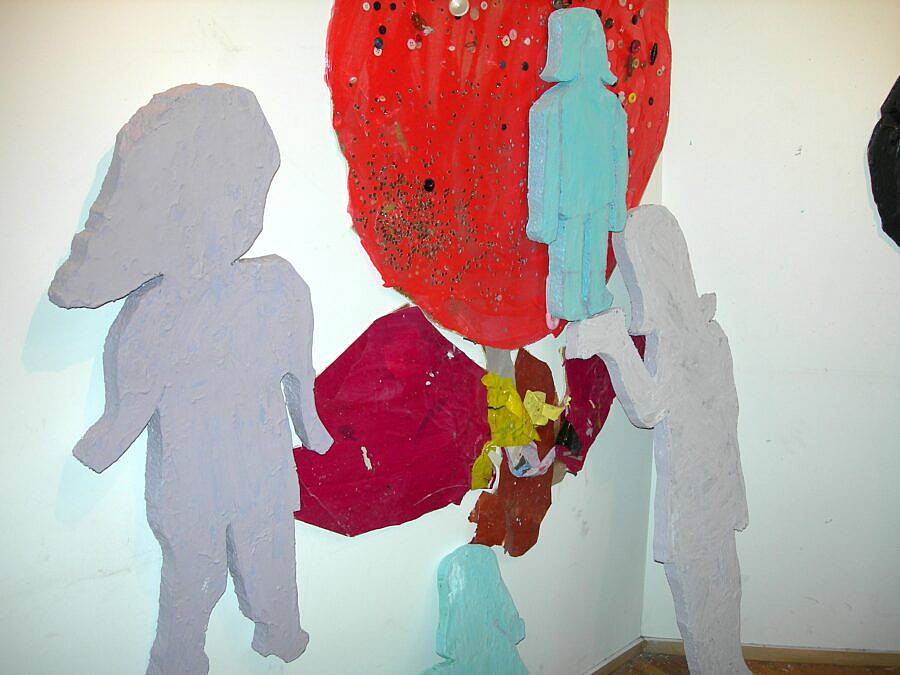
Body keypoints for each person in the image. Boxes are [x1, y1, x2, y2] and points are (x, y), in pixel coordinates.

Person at [49, 83, 332, 675]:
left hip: (248, 475)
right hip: (199, 483)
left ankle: (277, 631)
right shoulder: (164, 312)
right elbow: (130, 409)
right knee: (197, 577)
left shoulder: (274, 287)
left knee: (264, 559)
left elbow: (299, 374)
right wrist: (99, 447)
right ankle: (186, 655)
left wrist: (313, 427)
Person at [567, 205, 751, 674]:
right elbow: (723, 413)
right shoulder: (712, 334)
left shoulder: (681, 340)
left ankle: (723, 667)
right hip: (718, 492)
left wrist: (613, 341)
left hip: (697, 499)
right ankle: (728, 666)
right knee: (721, 585)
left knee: (708, 590)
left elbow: (650, 409)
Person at [527, 7, 628, 325]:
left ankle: (595, 295)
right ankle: (569, 301)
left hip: (598, 197)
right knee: (570, 257)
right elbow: (545, 165)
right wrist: (542, 219)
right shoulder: (553, 107)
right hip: (569, 205)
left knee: (595, 255)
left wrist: (618, 208)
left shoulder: (610, 106)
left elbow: (618, 159)